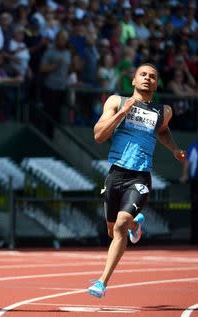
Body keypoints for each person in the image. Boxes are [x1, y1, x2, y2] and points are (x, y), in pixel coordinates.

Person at [88, 63, 187, 298]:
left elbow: (162, 130)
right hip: (115, 174)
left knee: (120, 225)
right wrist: (123, 113)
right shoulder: (116, 102)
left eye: (153, 76)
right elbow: (99, 135)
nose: (148, 78)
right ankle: (136, 224)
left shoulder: (164, 111)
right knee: (113, 232)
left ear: (156, 83)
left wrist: (174, 149)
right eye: (143, 75)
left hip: (140, 176)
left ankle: (102, 282)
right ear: (133, 80)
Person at [180, 139, 198, 245]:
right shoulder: (194, 146)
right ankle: (195, 238)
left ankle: (195, 238)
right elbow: (188, 162)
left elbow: (187, 162)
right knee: (195, 210)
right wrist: (185, 175)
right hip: (196, 182)